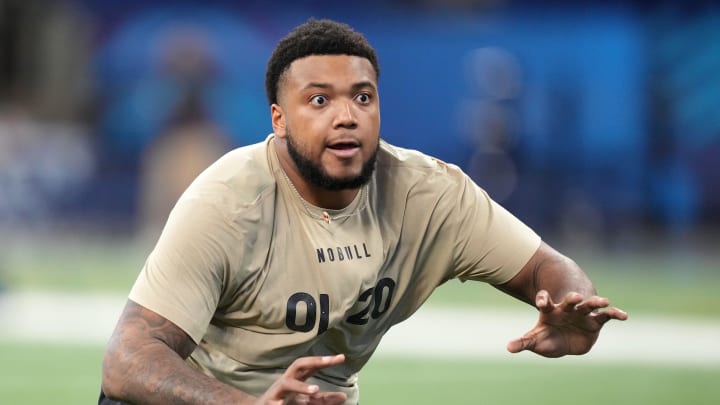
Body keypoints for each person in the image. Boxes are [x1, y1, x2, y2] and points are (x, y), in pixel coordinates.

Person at [100, 18, 628, 405]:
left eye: (363, 96)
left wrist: (570, 300)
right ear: (279, 120)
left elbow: (545, 266)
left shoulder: (429, 194)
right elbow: (127, 361)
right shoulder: (229, 201)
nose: (348, 116)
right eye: (320, 101)